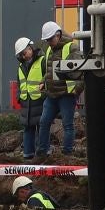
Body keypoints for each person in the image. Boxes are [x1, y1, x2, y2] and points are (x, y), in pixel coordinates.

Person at [34, 20, 80, 158]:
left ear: (58, 35)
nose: (49, 42)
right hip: (52, 94)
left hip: (66, 94)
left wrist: (75, 90)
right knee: (44, 122)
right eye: (47, 40)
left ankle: (67, 154)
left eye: (50, 39)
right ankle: (43, 152)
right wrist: (43, 82)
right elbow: (48, 72)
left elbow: (80, 73)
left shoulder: (71, 48)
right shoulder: (49, 50)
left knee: (67, 124)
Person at [14, 37, 45, 161]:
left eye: (24, 52)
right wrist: (19, 97)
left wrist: (44, 94)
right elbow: (19, 83)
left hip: (39, 100)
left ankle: (41, 154)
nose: (23, 56)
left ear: (30, 48)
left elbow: (47, 77)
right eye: (21, 54)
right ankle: (28, 155)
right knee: (27, 128)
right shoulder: (21, 67)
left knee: (42, 127)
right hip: (26, 103)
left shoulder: (42, 61)